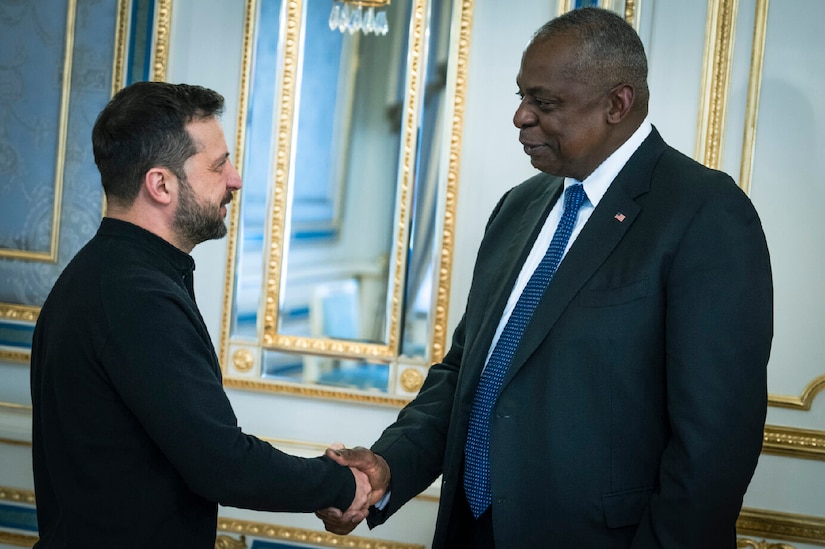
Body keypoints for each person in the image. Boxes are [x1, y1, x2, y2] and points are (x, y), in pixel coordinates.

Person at [316, 7, 773, 548]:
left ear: (617, 104)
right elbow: (469, 374)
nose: (521, 118)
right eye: (522, 97)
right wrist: (389, 467)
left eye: (545, 103)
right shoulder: (518, 207)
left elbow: (714, 446)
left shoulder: (705, 213)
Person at [29, 81, 384, 548]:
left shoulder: (108, 274)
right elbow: (223, 464)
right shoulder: (135, 296)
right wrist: (342, 484)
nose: (235, 179)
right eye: (218, 166)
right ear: (160, 184)